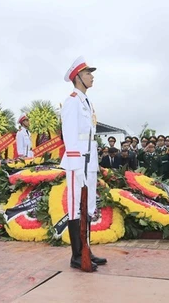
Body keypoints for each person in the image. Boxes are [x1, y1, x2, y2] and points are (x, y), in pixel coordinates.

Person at [60, 55, 106, 272]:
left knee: (88, 206)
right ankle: (76, 255)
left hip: (90, 160)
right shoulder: (71, 101)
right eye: (88, 73)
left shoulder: (86, 101)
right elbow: (69, 136)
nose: (92, 77)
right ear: (77, 77)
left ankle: (86, 249)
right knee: (75, 207)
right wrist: (77, 167)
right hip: (76, 162)